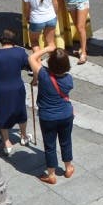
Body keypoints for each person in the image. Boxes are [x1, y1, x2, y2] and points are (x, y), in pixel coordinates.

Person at [29, 45, 74, 184]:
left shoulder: (43, 74)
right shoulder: (69, 79)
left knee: (50, 146)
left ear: (50, 64)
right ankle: (68, 167)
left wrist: (47, 49)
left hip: (48, 117)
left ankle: (51, 175)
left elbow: (31, 58)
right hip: (66, 114)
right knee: (66, 141)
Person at [0, 30, 31, 155]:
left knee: (2, 114)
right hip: (17, 87)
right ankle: (23, 136)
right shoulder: (20, 52)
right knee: (21, 111)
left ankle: (7, 143)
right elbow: (29, 67)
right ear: (14, 41)